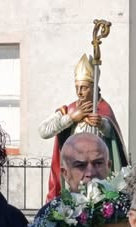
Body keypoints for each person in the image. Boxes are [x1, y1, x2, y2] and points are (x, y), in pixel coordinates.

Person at [39, 54, 128, 201]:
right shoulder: (70, 110)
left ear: (94, 87)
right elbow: (43, 131)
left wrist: (102, 124)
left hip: (96, 173)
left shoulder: (103, 109)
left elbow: (112, 134)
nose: (79, 92)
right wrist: (70, 118)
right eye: (77, 87)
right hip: (74, 172)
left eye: (84, 88)